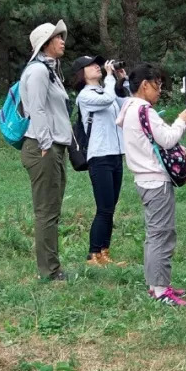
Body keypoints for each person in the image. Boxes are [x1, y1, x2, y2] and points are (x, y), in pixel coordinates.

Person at [117, 63, 186, 306]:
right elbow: (168, 139)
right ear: (145, 85)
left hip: (143, 179)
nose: (160, 90)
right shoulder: (144, 110)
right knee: (162, 234)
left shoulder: (127, 107)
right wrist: (181, 121)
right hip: (155, 180)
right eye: (157, 85)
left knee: (154, 234)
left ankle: (155, 284)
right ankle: (161, 290)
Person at [20, 20, 72, 281]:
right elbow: (37, 110)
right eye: (57, 38)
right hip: (44, 148)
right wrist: (44, 144)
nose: (63, 41)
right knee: (46, 211)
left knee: (52, 209)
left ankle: (52, 266)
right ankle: (49, 271)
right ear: (45, 43)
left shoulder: (50, 71)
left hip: (53, 147)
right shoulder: (38, 71)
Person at [72, 55, 128, 267]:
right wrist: (110, 77)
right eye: (91, 65)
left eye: (98, 64)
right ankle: (92, 254)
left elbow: (125, 104)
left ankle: (104, 252)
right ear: (81, 73)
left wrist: (123, 81)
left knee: (111, 207)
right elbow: (107, 100)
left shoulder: (107, 90)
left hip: (115, 154)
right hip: (99, 156)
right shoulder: (85, 96)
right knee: (104, 208)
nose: (97, 66)